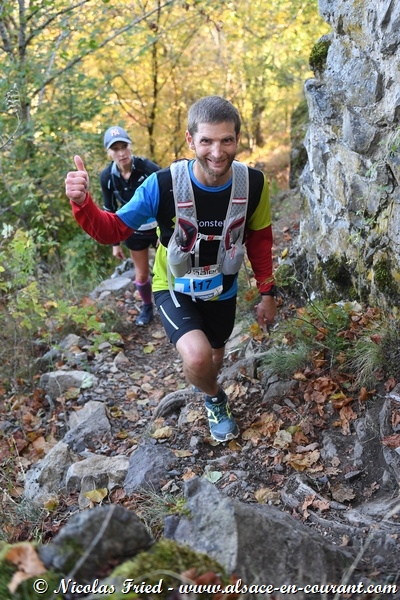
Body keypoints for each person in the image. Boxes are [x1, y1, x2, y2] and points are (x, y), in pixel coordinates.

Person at [65, 96, 276, 443]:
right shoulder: (162, 184)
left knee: (215, 356)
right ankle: (215, 399)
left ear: (238, 139)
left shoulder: (254, 184)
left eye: (226, 140)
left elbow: (260, 242)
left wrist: (268, 292)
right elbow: (112, 230)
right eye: (206, 141)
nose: (217, 152)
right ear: (190, 140)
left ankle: (205, 382)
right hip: (173, 285)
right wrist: (82, 203)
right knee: (198, 357)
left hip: (223, 287)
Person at [101, 126, 161, 326]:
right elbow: (110, 210)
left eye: (124, 146)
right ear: (109, 152)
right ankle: (147, 307)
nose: (121, 153)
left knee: (169, 268)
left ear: (130, 146)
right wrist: (115, 244)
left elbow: (169, 198)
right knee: (142, 274)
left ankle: (176, 305)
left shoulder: (148, 168)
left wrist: (167, 230)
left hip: (158, 227)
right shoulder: (107, 177)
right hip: (133, 231)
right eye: (115, 149)